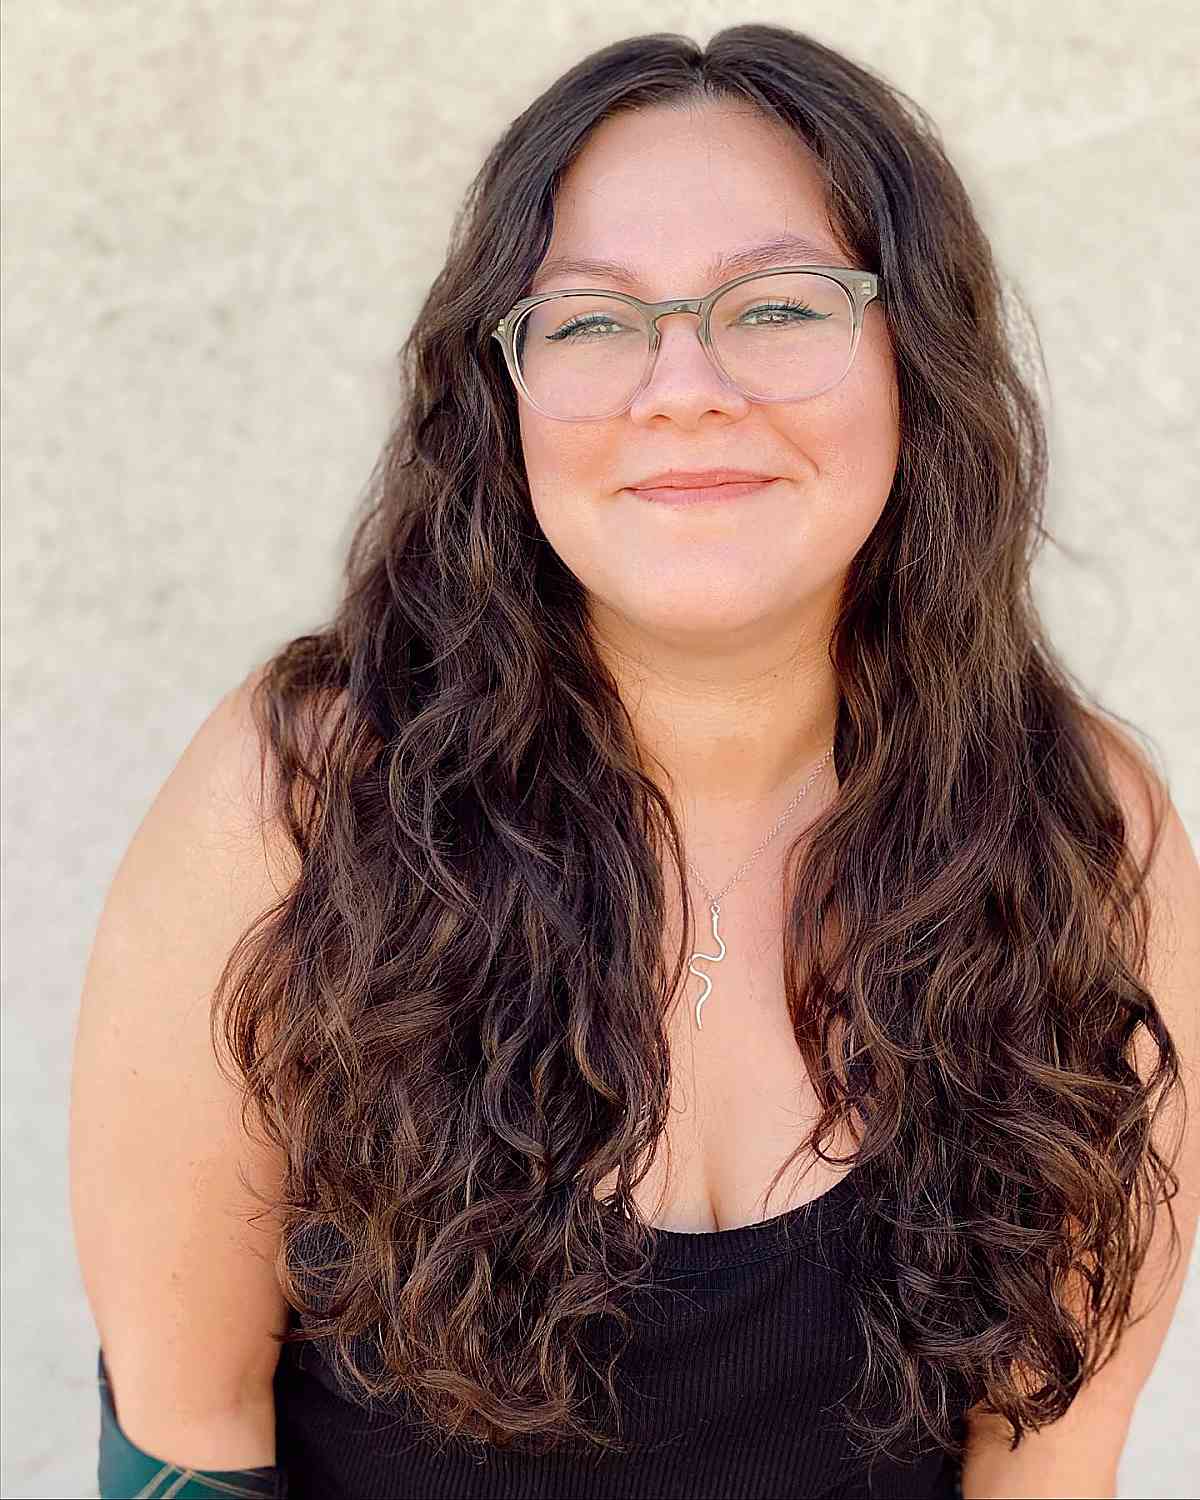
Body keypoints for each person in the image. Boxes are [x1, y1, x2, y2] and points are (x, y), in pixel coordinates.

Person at [70, 22, 1200, 1500]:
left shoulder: (1080, 841)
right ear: (505, 398)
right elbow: (182, 1440)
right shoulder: (302, 800)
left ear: (917, 355)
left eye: (779, 305)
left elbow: (1046, 1473)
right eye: (594, 322)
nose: (685, 385)